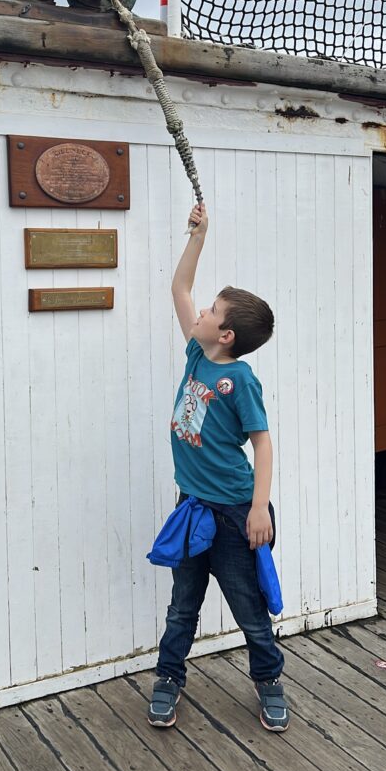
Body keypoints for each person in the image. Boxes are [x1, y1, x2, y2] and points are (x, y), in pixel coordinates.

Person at [148, 202, 290, 733]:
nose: (201, 313)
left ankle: (269, 681)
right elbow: (180, 290)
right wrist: (197, 236)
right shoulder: (196, 354)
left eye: (212, 312)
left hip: (235, 515)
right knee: (183, 605)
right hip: (192, 509)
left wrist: (258, 511)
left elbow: (264, 445)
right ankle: (168, 678)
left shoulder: (241, 381)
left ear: (226, 334)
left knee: (250, 610)